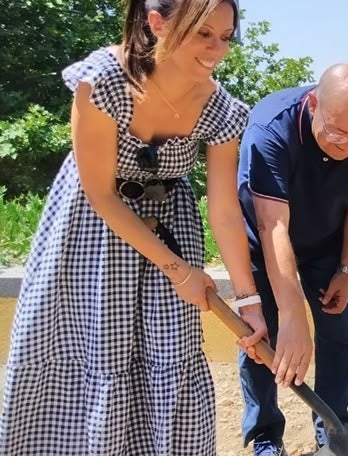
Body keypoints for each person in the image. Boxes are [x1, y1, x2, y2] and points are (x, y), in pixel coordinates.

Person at [0, 0, 269, 454]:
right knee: (94, 349)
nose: (217, 49)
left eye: (225, 37)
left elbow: (223, 210)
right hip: (93, 231)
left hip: (171, 225)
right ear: (157, 23)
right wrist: (179, 272)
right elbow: (101, 193)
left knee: (169, 351)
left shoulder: (221, 108)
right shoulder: (104, 79)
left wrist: (249, 302)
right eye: (204, 34)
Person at [235, 63, 348, 455]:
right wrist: (291, 317)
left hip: (326, 241)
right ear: (313, 104)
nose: (347, 145)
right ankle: (266, 435)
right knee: (261, 338)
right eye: (338, 132)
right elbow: (273, 226)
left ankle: (333, 426)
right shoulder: (271, 129)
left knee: (337, 334)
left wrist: (346, 269)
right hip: (263, 241)